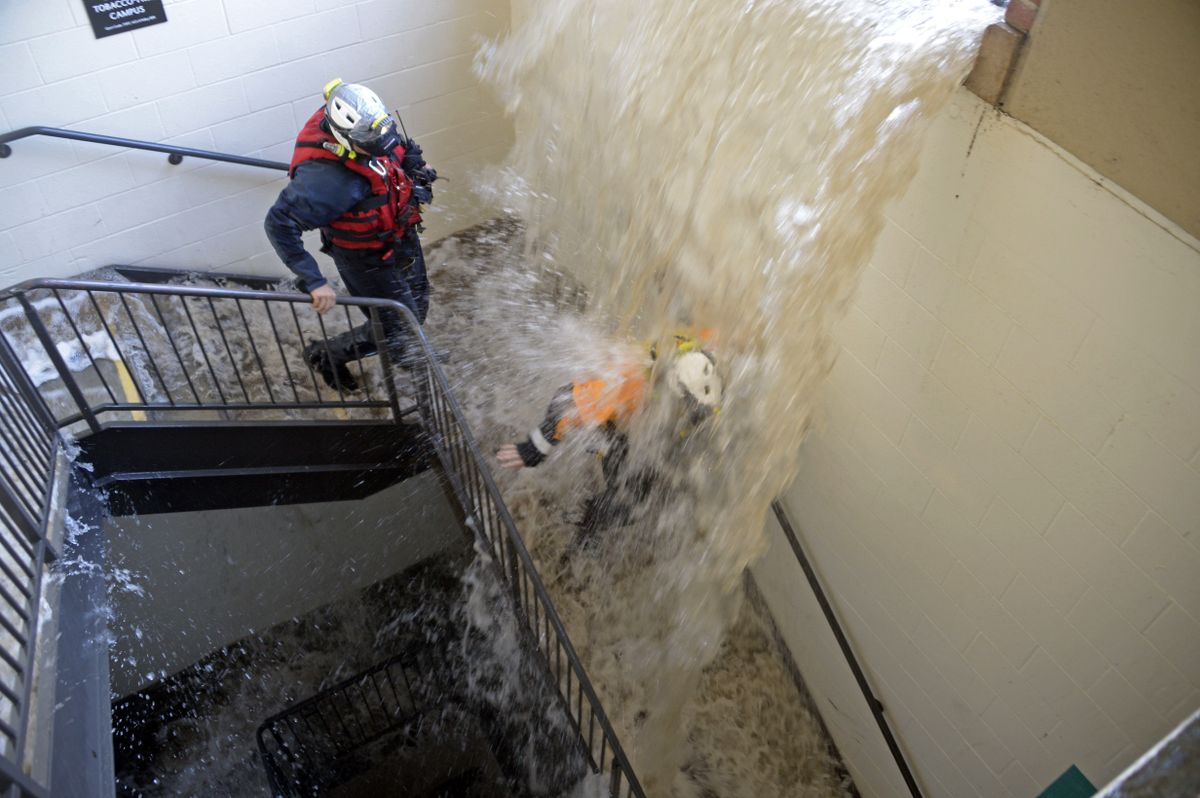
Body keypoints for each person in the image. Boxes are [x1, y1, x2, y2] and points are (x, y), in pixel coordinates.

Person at [265, 78, 438, 390]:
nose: (381, 147)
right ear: (344, 139)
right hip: (366, 259)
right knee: (398, 330)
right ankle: (326, 355)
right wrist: (314, 280)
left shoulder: (370, 124)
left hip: (399, 236)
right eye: (370, 146)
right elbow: (279, 224)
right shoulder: (327, 183)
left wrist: (414, 170)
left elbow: (392, 155)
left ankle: (407, 344)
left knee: (417, 307)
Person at [496, 333, 723, 540]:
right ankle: (582, 530)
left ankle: (591, 520)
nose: (691, 417)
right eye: (690, 411)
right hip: (605, 426)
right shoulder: (629, 388)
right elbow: (564, 401)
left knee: (650, 486)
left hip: (632, 420)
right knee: (632, 501)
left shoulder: (695, 353)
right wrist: (534, 448)